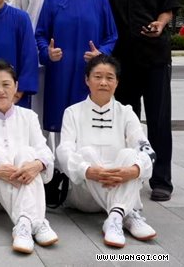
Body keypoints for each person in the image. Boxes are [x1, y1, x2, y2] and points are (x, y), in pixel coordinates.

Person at [92, 0, 180, 202]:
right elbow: (97, 14)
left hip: (154, 58)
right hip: (120, 62)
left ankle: (161, 180)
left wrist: (160, 23)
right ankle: (127, 173)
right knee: (124, 121)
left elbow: (168, 8)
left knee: (158, 120)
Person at [57, 55, 157, 248]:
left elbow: (146, 149)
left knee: (130, 156)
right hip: (86, 194)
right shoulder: (72, 112)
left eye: (109, 78)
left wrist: (134, 170)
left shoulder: (126, 112)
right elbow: (64, 151)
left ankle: (115, 217)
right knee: (86, 153)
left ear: (117, 83)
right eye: (98, 77)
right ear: (87, 80)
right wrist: (87, 170)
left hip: (120, 183)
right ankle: (127, 212)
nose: (103, 82)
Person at [0, 59, 57, 254]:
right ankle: (38, 221)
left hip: (21, 186)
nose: (1, 91)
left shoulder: (29, 117)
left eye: (6, 84)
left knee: (28, 153)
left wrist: (38, 164)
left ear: (16, 86)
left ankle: (24, 224)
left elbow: (44, 151)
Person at [35, 0, 118, 133]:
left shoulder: (100, 0)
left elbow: (111, 36)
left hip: (89, 72)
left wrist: (101, 54)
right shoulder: (51, 0)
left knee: (89, 124)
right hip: (60, 72)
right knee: (60, 123)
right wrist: (48, 53)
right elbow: (40, 34)